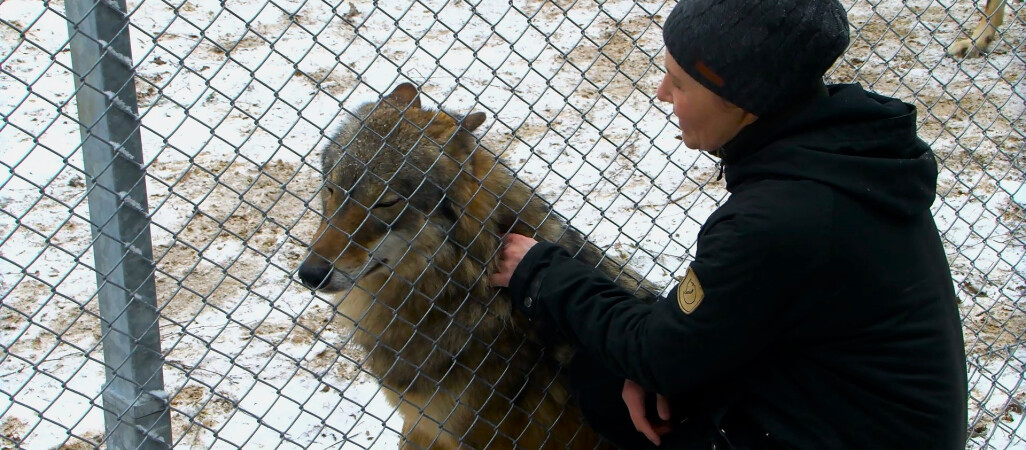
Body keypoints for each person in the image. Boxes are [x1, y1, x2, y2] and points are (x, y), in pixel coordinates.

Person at [489, 0, 969, 448]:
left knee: (608, 381)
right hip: (870, 417)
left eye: (678, 83)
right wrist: (660, 364)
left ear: (742, 99)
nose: (661, 93)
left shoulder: (778, 217)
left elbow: (661, 352)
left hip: (853, 433)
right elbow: (727, 317)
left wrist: (543, 272)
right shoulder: (843, 156)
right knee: (617, 378)